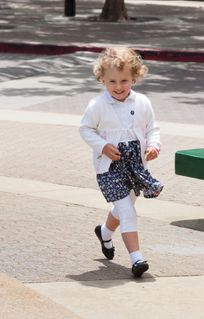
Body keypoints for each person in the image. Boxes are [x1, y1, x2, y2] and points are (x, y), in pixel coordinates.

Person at [79, 47, 162, 278]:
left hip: (136, 165)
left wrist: (154, 146)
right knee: (127, 211)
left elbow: (152, 128)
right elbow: (85, 129)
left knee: (123, 207)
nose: (118, 86)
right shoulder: (97, 105)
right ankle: (137, 259)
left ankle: (105, 232)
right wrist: (102, 146)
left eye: (124, 80)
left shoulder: (143, 102)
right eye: (112, 81)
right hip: (109, 166)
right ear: (102, 79)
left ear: (135, 78)